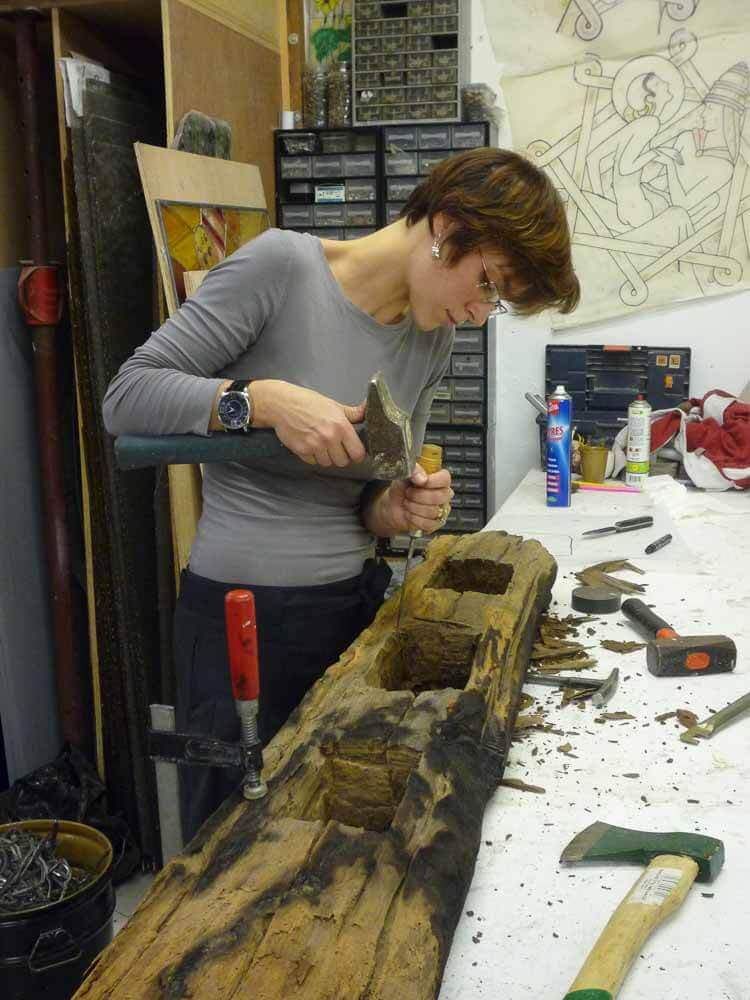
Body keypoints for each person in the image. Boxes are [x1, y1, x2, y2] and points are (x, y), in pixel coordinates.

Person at [103, 146, 580, 841]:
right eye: (488, 284)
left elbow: (369, 496)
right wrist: (261, 399)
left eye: (497, 303)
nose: (479, 314)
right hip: (242, 622)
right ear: (447, 228)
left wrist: (394, 509)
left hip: (350, 615)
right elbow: (127, 396)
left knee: (327, 841)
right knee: (228, 852)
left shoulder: (430, 339)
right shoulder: (282, 268)